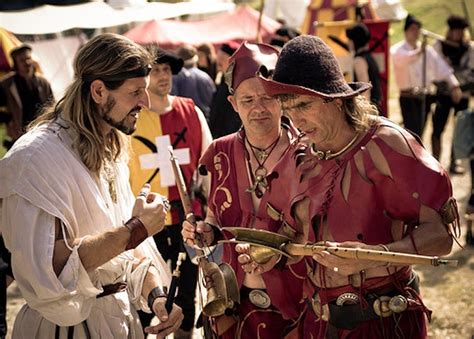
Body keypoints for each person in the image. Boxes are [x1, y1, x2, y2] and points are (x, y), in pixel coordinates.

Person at [259, 35, 460, 338]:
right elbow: (293, 232)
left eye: (304, 105)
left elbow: (441, 236)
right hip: (319, 322)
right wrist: (271, 250)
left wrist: (377, 254)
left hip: (382, 323)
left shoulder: (386, 144)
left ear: (336, 99)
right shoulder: (300, 154)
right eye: (288, 110)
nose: (296, 121)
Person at [0, 33, 184, 338]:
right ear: (98, 90)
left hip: (119, 322)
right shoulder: (35, 158)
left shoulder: (110, 145)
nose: (145, 102)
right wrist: (135, 229)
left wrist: (157, 297)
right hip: (64, 330)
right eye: (135, 92)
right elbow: (49, 270)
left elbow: (126, 258)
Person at [182, 42, 308, 338]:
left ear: (282, 99)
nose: (259, 108)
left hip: (297, 306)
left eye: (267, 98)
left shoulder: (307, 154)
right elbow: (216, 215)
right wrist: (205, 231)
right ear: (232, 103)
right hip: (232, 305)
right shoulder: (219, 152)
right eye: (248, 99)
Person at [128, 47, 212, 338]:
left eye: (166, 70)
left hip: (185, 217)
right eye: (155, 70)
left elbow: (207, 168)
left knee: (187, 290)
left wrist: (207, 215)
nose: (162, 76)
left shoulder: (191, 111)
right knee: (142, 289)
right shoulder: (131, 117)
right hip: (144, 219)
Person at [391, 14, 462, 138]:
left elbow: (441, 67)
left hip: (424, 96)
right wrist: (419, 52)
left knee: (420, 132)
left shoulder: (426, 50)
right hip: (408, 97)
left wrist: (454, 84)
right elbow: (403, 59)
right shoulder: (398, 49)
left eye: (417, 29)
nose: (415, 32)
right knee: (411, 133)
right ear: (406, 31)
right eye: (412, 29)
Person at [432, 15, 474, 174]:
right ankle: (435, 163)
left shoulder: (470, 49)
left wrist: (459, 86)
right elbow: (434, 72)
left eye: (459, 31)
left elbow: (472, 74)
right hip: (443, 94)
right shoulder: (439, 46)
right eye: (454, 30)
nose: (456, 34)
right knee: (437, 129)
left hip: (462, 95)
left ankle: (453, 162)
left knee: (459, 130)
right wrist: (449, 85)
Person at [0, 44, 54, 148]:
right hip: (19, 135)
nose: (27, 62)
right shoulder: (6, 85)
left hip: (43, 132)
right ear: (16, 63)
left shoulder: (43, 82)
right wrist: (8, 120)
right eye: (22, 60)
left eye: (28, 58)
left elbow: (52, 106)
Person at [171, 44, 215, 122]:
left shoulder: (174, 77)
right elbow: (213, 101)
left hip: (182, 122)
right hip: (204, 122)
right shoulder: (205, 77)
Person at [346, 22, 382, 111]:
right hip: (375, 107)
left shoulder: (359, 60)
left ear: (355, 41)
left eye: (350, 40)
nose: (348, 43)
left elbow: (365, 89)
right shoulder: (369, 57)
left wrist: (365, 114)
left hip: (369, 109)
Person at [208, 42, 242, 139]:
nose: (219, 64)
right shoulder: (222, 85)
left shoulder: (239, 86)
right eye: (218, 60)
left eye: (222, 59)